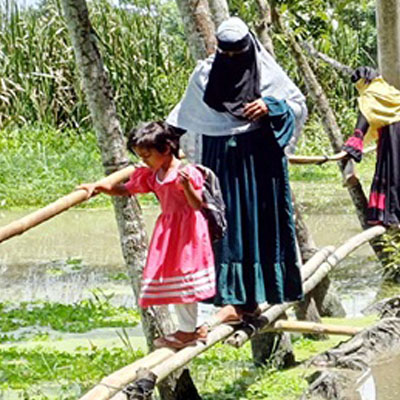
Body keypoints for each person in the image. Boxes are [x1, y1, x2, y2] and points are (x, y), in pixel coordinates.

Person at [166, 17, 306, 325]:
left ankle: (251, 299)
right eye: (225, 54)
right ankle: (231, 299)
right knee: (222, 222)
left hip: (261, 160)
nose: (231, 60)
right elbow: (180, 118)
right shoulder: (204, 76)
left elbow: (296, 105)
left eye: (237, 54)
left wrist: (271, 106)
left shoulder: (267, 72)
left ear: (249, 48)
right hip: (219, 162)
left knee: (258, 223)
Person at [78, 122, 216, 349]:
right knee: (174, 276)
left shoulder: (185, 172)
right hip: (170, 230)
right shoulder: (154, 175)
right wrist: (102, 188)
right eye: (140, 156)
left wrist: (187, 187)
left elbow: (196, 204)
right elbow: (127, 189)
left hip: (188, 231)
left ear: (166, 149)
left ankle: (188, 331)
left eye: (147, 155)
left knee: (186, 277)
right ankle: (193, 326)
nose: (144, 161)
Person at [342, 67, 400, 228]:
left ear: (363, 81)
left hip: (392, 134)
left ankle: (388, 214)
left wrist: (357, 138)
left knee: (390, 171)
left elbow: (365, 115)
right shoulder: (387, 89)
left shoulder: (371, 93)